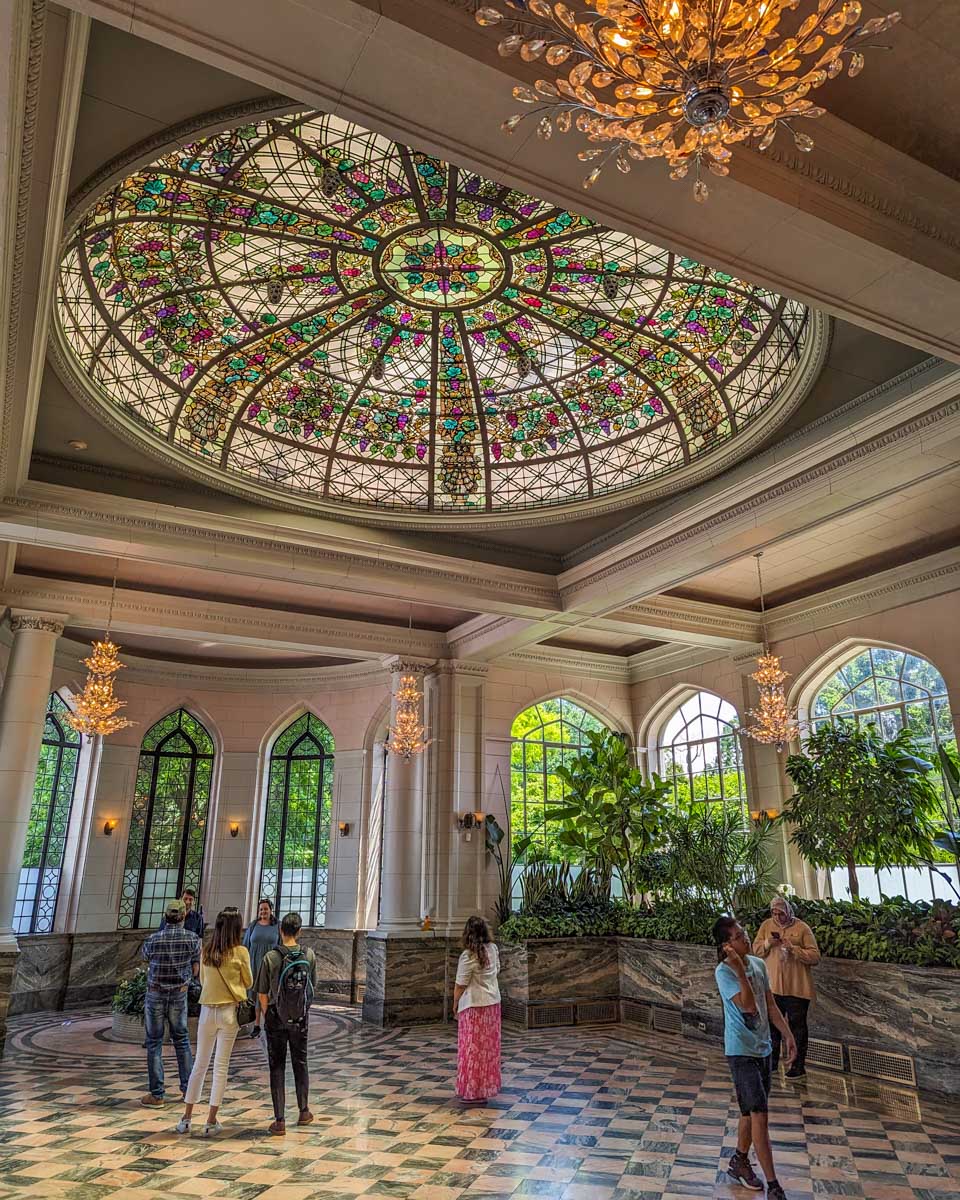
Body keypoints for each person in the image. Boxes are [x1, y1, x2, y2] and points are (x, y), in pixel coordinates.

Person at [713, 916, 797, 1200]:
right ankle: (774, 1185)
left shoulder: (759, 965)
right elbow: (748, 1006)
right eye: (739, 936)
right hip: (741, 1052)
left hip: (763, 1048)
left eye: (744, 933)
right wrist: (739, 970)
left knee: (749, 1112)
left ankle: (739, 1161)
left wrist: (787, 1035)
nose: (746, 938)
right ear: (727, 945)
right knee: (760, 1115)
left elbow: (768, 1004)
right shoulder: (724, 972)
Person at [176, 907, 252, 1137]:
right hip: (229, 1012)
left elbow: (201, 980)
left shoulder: (207, 951)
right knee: (221, 1067)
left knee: (199, 1064)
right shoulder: (240, 952)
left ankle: (186, 1118)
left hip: (207, 1011)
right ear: (237, 928)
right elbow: (248, 982)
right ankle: (210, 1121)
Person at [256, 911, 317, 1135]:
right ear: (299, 932)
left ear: (280, 931)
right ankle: (304, 1111)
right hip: (300, 1018)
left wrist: (268, 1014)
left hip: (275, 1016)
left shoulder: (270, 957)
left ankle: (279, 1121)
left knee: (277, 1066)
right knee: (301, 1062)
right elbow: (312, 988)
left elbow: (262, 993)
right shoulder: (309, 955)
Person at [140, 899, 201, 1107]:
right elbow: (195, 968)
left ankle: (157, 1095)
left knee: (154, 1043)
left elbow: (145, 958)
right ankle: (188, 1091)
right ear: (183, 916)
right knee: (182, 1041)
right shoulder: (192, 939)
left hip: (155, 994)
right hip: (178, 995)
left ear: (165, 917)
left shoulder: (153, 939)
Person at [753, 895, 821, 1079]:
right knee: (772, 1027)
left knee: (797, 1027)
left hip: (796, 989)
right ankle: (772, 1063)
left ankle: (798, 1066)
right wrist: (768, 943)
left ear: (788, 912)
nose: (778, 917)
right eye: (774, 914)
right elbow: (756, 949)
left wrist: (794, 949)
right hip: (773, 987)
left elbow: (815, 956)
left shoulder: (802, 928)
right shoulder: (766, 926)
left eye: (781, 914)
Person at [452, 915, 501, 1105]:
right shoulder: (493, 949)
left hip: (473, 1007)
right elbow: (497, 971)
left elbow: (460, 984)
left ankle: (471, 1091)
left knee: (471, 1050)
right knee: (487, 1051)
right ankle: (484, 1089)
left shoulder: (468, 955)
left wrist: (455, 1003)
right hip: (492, 1004)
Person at [243, 898, 280, 1039]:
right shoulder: (253, 925)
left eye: (265, 909)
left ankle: (269, 1024)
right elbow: (245, 945)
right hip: (253, 964)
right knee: (254, 996)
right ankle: (256, 1025)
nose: (263, 911)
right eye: (261, 909)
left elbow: (281, 945)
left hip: (270, 965)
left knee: (267, 996)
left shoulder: (277, 926)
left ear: (271, 910)